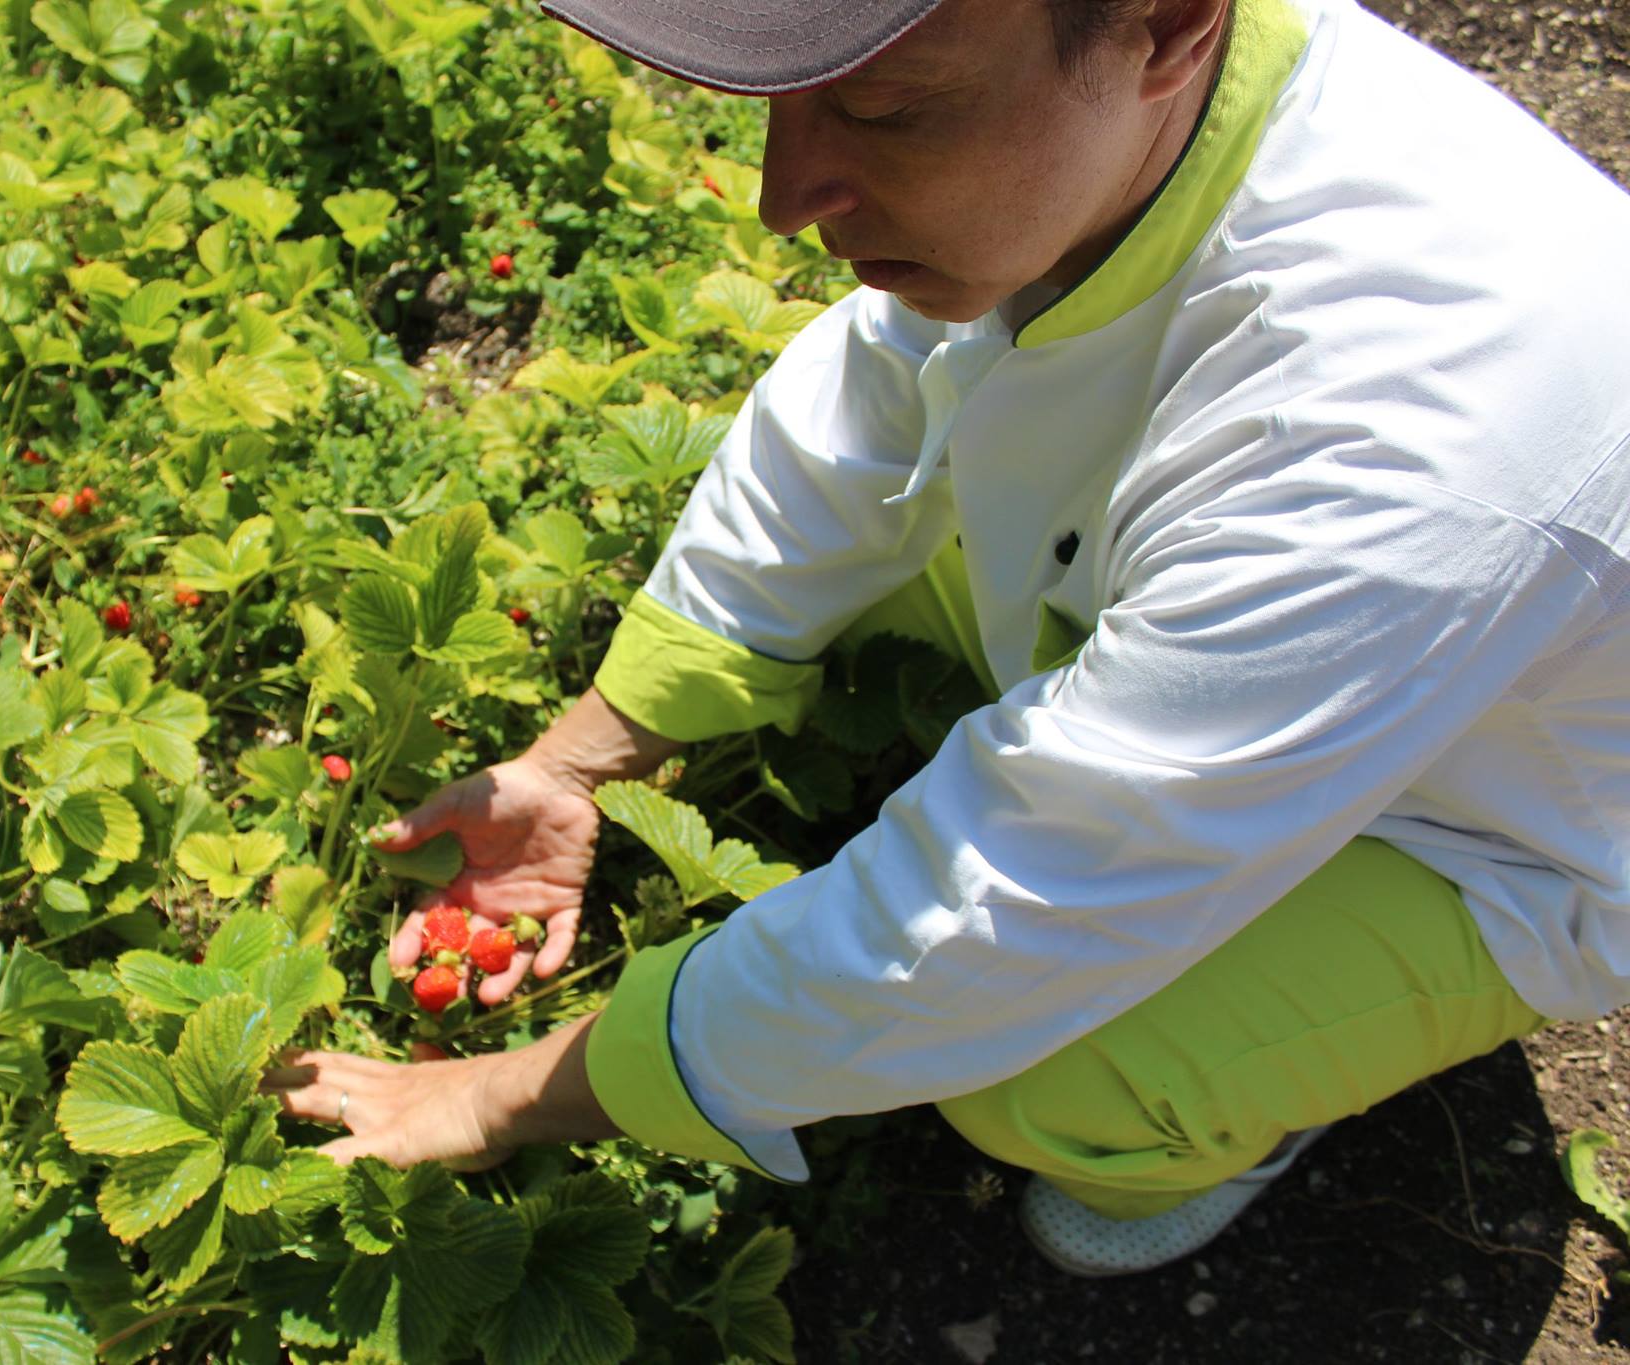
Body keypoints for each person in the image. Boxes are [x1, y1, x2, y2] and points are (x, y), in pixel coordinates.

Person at [263, 0, 1630, 1275]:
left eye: (888, 110)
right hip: (1273, 645)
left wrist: (516, 1088)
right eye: (786, 99)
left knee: (1044, 1070)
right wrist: (581, 760)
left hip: (1481, 823)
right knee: (925, 499)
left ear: (1165, 23)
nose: (782, 195)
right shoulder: (1139, 130)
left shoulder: (1407, 426)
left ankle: (1249, 1098)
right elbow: (867, 404)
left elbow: (1008, 908)